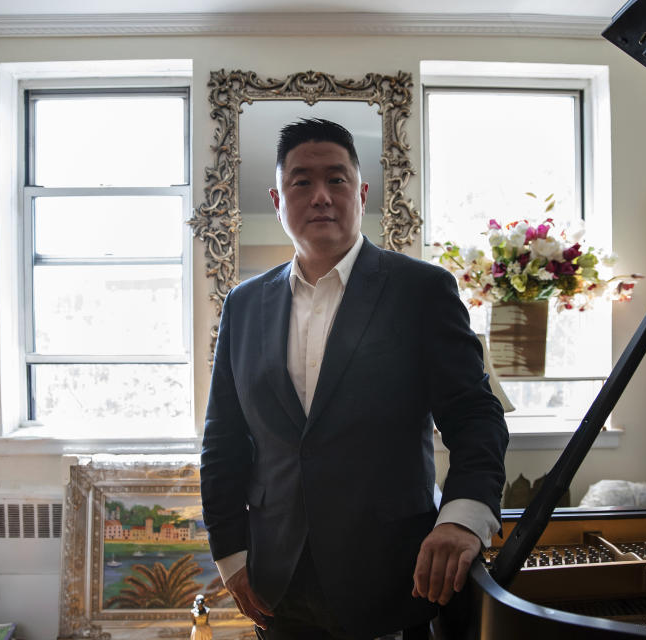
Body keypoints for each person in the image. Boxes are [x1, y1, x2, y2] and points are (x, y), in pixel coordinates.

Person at [200, 118, 508, 640]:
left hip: (396, 576)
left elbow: (475, 416)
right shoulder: (243, 304)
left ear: (361, 193)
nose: (320, 195)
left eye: (336, 179)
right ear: (278, 200)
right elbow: (224, 440)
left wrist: (463, 517)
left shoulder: (422, 291)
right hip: (278, 580)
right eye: (301, 182)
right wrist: (230, 555)